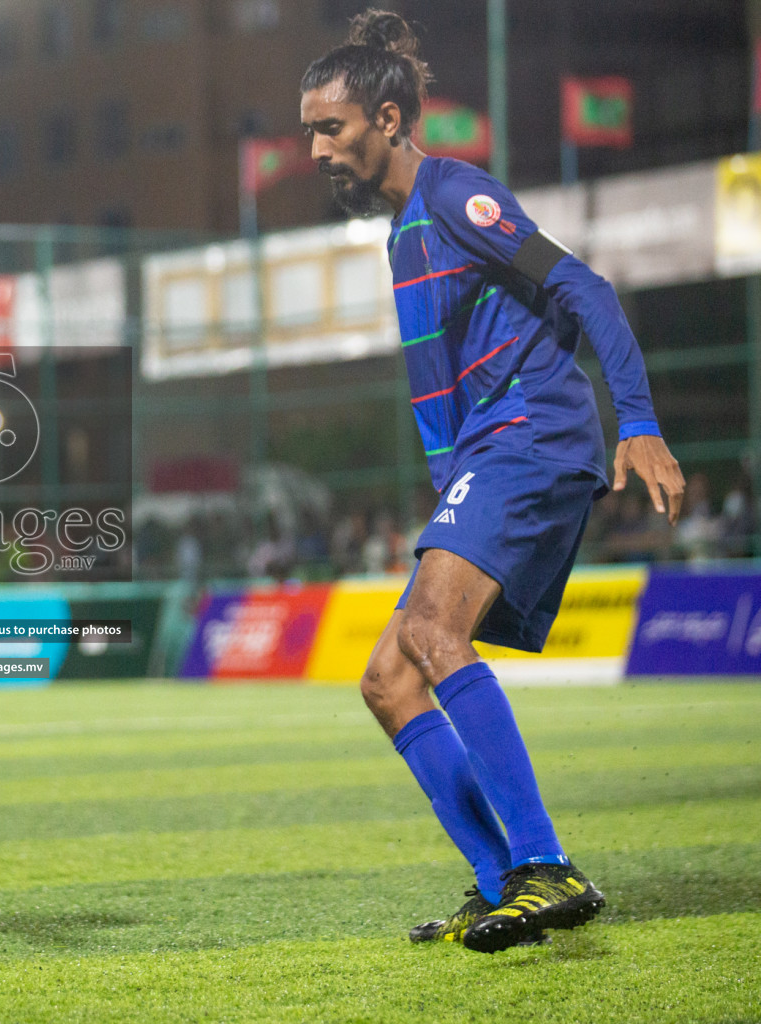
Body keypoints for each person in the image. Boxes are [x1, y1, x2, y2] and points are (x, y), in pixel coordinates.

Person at [299, 11, 684, 954]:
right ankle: (498, 880)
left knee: (429, 637)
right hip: (487, 456)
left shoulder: (456, 195)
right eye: (308, 129)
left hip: (533, 437)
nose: (314, 149)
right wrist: (446, 500)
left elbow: (584, 288)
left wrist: (638, 419)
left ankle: (544, 863)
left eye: (330, 128)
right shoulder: (399, 239)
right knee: (389, 680)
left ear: (389, 120)